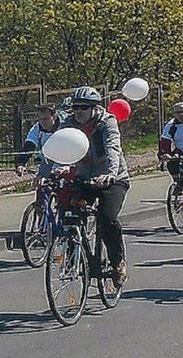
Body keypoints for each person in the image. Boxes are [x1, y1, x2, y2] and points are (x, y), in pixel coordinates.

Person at [57, 86, 130, 288]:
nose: (78, 111)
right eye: (75, 107)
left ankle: (118, 262)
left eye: (84, 107)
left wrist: (111, 173)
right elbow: (59, 148)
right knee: (70, 212)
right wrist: (57, 167)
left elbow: (113, 148)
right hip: (83, 178)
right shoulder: (68, 124)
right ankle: (74, 259)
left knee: (108, 219)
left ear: (94, 108)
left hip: (112, 179)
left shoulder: (107, 122)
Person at [15, 104, 61, 178]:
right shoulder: (36, 128)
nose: (43, 122)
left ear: (54, 117)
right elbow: (29, 146)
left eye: (46, 119)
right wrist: (21, 163)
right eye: (40, 119)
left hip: (63, 165)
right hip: (44, 164)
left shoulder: (64, 127)